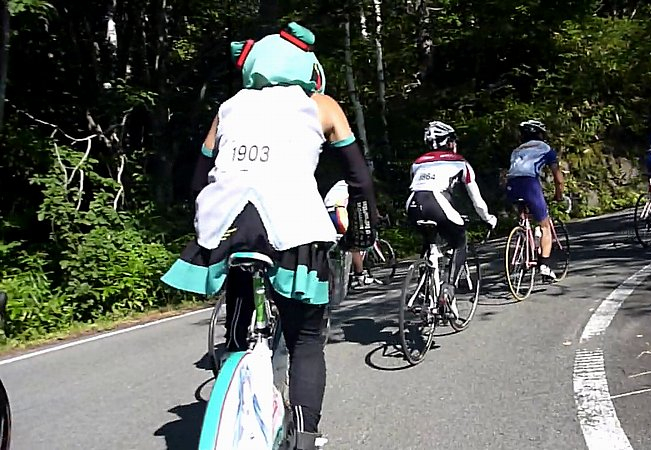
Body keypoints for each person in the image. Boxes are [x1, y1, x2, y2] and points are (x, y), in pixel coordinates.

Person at [161, 23, 377, 450]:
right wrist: (364, 225)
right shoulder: (321, 105)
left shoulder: (229, 107)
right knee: (306, 339)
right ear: (306, 67)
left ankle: (237, 361)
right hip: (293, 226)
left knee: (239, 325)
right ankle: (306, 436)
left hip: (226, 226)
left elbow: (199, 179)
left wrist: (203, 220)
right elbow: (360, 178)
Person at [405, 120, 497, 301]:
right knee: (460, 240)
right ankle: (448, 288)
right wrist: (488, 218)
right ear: (448, 142)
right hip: (437, 202)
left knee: (429, 240)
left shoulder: (417, 163)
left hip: (412, 204)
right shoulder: (460, 162)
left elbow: (420, 187)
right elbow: (477, 201)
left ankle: (424, 287)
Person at [505, 119, 565, 281]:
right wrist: (559, 195)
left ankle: (524, 236)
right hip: (529, 184)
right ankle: (544, 265)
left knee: (525, 217)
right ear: (540, 134)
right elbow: (558, 178)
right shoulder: (545, 148)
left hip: (511, 184)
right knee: (545, 226)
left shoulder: (516, 150)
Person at [323, 179, 374, 286]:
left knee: (337, 240)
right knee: (353, 243)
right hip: (339, 212)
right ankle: (360, 275)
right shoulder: (355, 184)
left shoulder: (337, 185)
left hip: (327, 211)